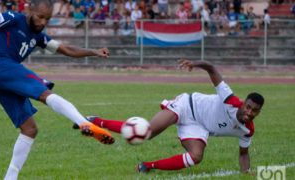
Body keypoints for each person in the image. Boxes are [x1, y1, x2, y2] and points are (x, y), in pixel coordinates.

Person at [0, 0, 115, 179]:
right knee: (45, 92)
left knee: (30, 129)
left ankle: (10, 178)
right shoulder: (12, 18)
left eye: (47, 19)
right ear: (29, 10)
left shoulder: (39, 37)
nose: (42, 22)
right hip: (2, 67)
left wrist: (93, 52)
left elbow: (66, 49)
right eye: (40, 16)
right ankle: (84, 123)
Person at [74, 59, 264, 173]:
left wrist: (246, 173)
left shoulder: (247, 131)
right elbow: (212, 68)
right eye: (247, 106)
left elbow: (243, 153)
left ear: (259, 112)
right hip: (186, 107)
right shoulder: (230, 100)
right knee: (146, 132)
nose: (249, 112)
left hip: (198, 127)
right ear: (243, 103)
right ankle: (94, 120)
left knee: (196, 157)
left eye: (254, 110)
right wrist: (195, 64)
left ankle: (148, 166)